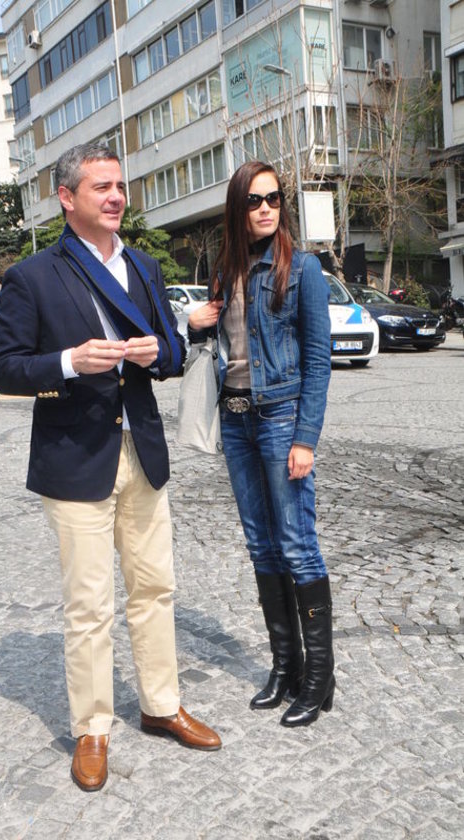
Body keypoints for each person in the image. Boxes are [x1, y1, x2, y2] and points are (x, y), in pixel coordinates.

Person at [0, 143, 221, 793]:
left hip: (141, 451)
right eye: (102, 187)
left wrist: (156, 353)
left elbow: (172, 354)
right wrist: (70, 362)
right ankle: (92, 728)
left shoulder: (144, 267)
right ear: (67, 199)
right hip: (74, 456)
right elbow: (5, 369)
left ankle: (162, 705)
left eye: (120, 185)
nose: (117, 196)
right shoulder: (33, 276)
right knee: (90, 604)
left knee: (155, 587)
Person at [188, 161, 334, 728]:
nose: (267, 208)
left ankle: (319, 677)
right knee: (261, 546)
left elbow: (318, 360)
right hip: (236, 420)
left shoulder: (303, 269)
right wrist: (195, 324)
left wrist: (306, 439)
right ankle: (285, 667)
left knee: (297, 544)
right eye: (255, 200)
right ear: (237, 207)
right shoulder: (225, 270)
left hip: (280, 418)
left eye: (274, 198)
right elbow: (217, 348)